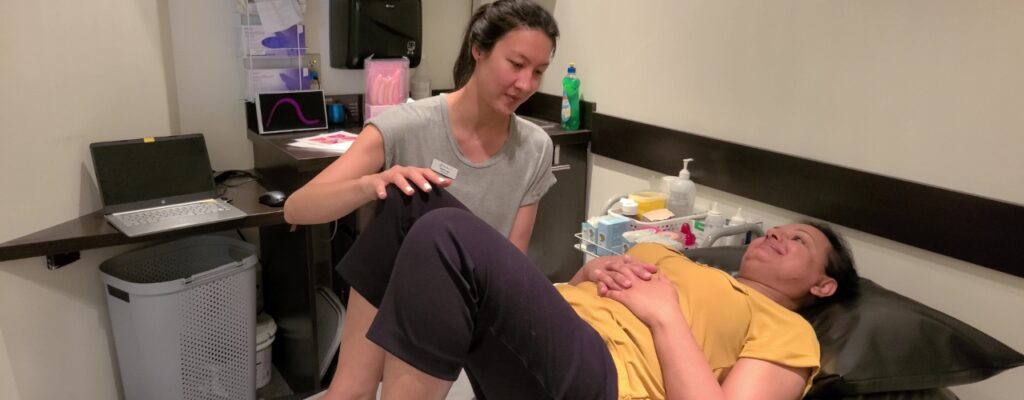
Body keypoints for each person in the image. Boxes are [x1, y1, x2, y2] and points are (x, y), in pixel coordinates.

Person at [335, 186, 859, 400]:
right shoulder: (675, 259)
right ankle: (347, 395)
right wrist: (581, 279)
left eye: (799, 241)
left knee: (447, 233)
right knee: (412, 202)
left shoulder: (787, 329)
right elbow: (570, 300)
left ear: (823, 284)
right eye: (778, 229)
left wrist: (665, 316)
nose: (777, 234)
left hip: (606, 380)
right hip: (556, 342)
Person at [282, 1, 561, 398]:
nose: (526, 84)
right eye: (516, 64)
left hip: (468, 301)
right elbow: (297, 208)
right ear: (478, 50)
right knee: (411, 204)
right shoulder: (406, 126)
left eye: (538, 71)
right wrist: (373, 183)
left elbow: (511, 264)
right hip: (389, 289)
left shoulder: (535, 147)